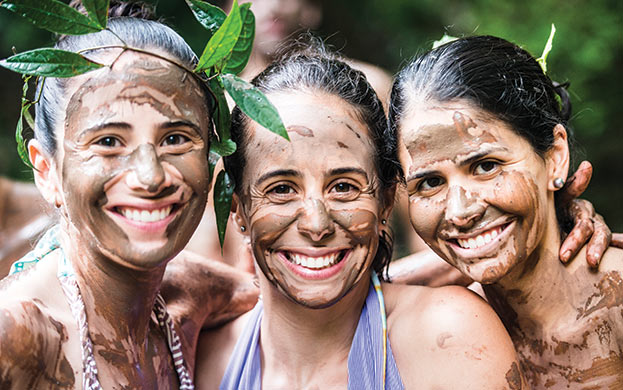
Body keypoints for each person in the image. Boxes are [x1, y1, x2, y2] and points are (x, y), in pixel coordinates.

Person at [195, 40, 527, 389]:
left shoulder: (448, 337)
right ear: (238, 209)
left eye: (343, 187)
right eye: (281, 189)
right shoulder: (208, 360)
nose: (316, 224)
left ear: (385, 201)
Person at [0, 4, 255, 388]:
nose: (150, 177)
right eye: (108, 142)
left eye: (175, 139)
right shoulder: (19, 337)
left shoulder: (187, 293)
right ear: (46, 170)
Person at [388, 35, 623, 389]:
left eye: (486, 166)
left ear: (555, 156)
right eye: (430, 182)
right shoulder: (446, 332)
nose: (460, 211)